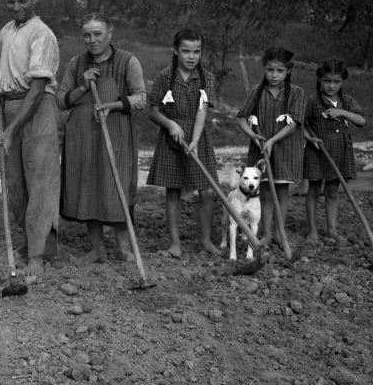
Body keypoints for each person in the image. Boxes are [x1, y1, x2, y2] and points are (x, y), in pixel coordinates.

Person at [56, 13, 146, 264]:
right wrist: (83, 87)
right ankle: (97, 249)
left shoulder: (128, 61)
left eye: (97, 34)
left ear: (109, 34)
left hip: (115, 133)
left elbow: (141, 98)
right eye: (87, 35)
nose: (92, 40)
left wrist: (114, 105)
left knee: (116, 187)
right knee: (89, 188)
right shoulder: (76, 63)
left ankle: (122, 248)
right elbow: (61, 100)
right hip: (82, 135)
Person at [0, 0, 61, 277]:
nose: (16, 6)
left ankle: (38, 255)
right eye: (11, 0)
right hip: (11, 106)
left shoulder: (42, 33)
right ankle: (37, 242)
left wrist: (12, 129)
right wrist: (0, 108)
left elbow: (36, 89)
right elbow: (6, 74)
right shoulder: (7, 30)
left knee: (40, 182)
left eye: (22, 0)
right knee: (17, 185)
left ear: (33, 0)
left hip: (37, 108)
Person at [146, 29, 219, 258]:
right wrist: (171, 125)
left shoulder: (207, 78)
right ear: (176, 51)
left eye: (196, 52)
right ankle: (175, 244)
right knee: (173, 192)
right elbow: (153, 111)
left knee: (207, 191)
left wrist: (195, 139)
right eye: (186, 51)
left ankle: (205, 241)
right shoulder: (164, 77)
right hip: (172, 138)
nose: (191, 56)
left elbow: (202, 111)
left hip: (198, 137)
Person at [236, 46, 307, 248]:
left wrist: (272, 140)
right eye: (270, 70)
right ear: (264, 69)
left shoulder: (296, 93)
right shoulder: (256, 92)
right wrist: (252, 134)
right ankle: (266, 234)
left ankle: (280, 233)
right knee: (265, 191)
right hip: (260, 149)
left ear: (288, 71)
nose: (274, 75)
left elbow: (294, 123)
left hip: (285, 149)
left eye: (280, 71)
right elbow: (241, 118)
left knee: (282, 191)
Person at [303, 58, 367, 244]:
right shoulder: (312, 101)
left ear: (342, 82)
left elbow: (362, 121)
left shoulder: (346, 101)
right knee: (314, 190)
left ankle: (331, 230)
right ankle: (312, 231)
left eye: (336, 82)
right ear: (320, 80)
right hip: (317, 152)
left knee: (332, 191)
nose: (331, 86)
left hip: (340, 152)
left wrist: (342, 113)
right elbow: (301, 124)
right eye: (327, 81)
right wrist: (309, 138)